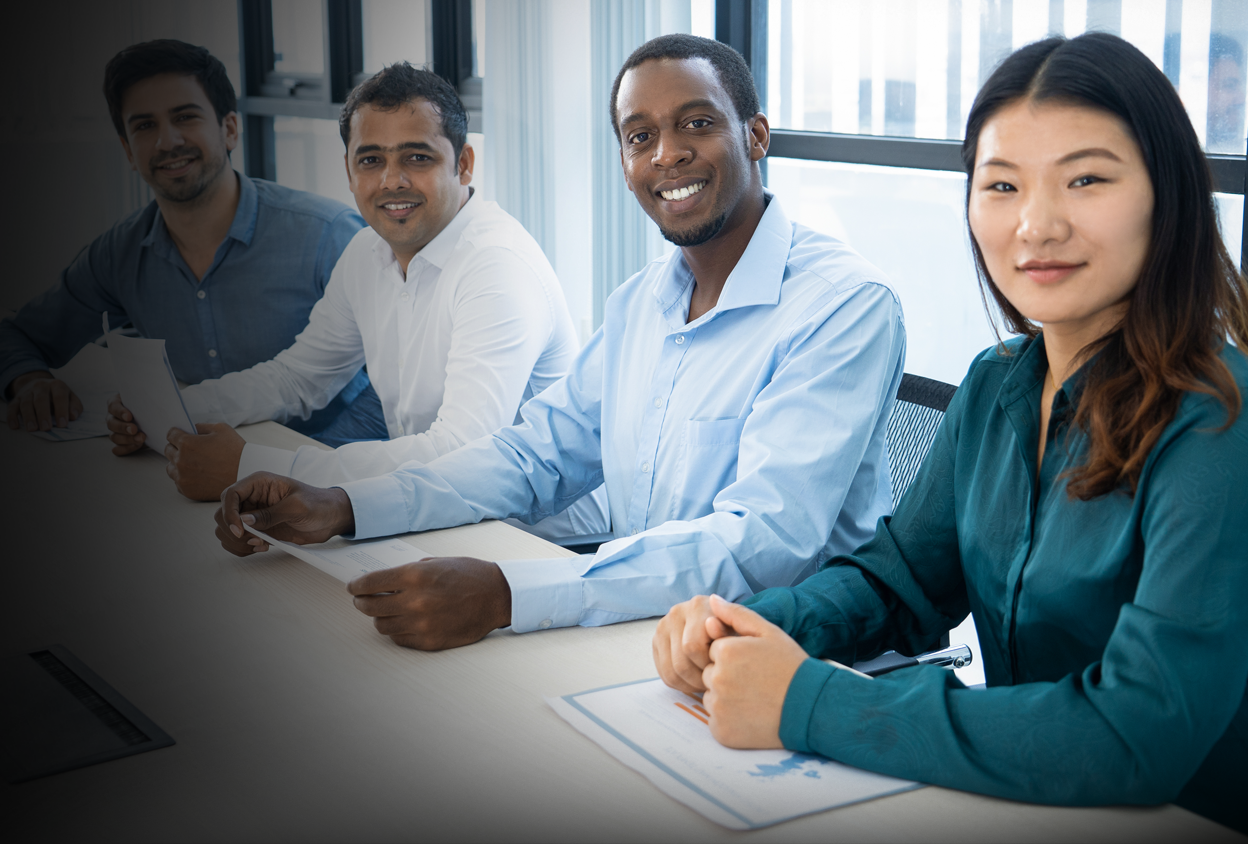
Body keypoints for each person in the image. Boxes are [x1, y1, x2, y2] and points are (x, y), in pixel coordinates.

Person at [652, 32, 1248, 841]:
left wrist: (808, 703)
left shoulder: (1230, 431)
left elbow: (1135, 734)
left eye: (1086, 179)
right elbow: (901, 584)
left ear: (1166, 196)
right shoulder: (998, 385)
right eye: (1002, 185)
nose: (1036, 225)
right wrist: (751, 626)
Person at [215, 34, 907, 650]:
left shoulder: (842, 304)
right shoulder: (642, 303)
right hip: (651, 632)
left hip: (799, 657)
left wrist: (509, 595)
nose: (667, 153)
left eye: (696, 124)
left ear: (755, 136)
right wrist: (345, 504)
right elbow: (534, 456)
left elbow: (763, 544)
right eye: (640, 136)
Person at [105, 63, 578, 500]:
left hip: (539, 536)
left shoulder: (497, 267)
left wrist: (253, 465)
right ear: (349, 172)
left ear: (465, 163)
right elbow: (299, 378)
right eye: (370, 160)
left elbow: (462, 452)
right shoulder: (367, 252)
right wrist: (175, 410)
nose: (392, 181)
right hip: (438, 508)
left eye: (417, 157)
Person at [0, 40, 378, 442]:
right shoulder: (120, 253)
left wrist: (300, 465)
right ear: (128, 150)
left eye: (185, 117)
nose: (167, 142)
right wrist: (29, 382)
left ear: (229, 130)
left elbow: (392, 390)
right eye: (144, 126)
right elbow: (10, 339)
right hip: (184, 466)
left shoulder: (329, 235)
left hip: (321, 466)